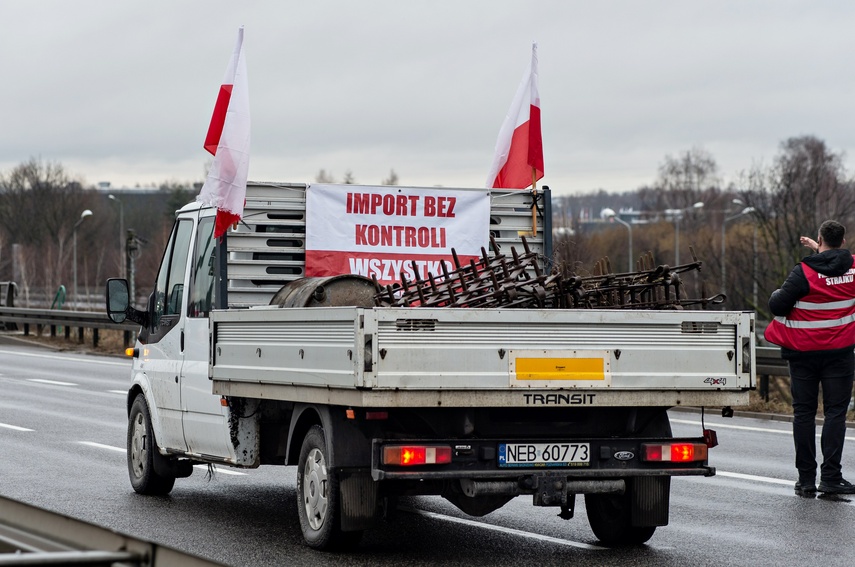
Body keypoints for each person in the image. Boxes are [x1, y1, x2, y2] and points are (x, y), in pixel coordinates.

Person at [765, 220, 855, 496]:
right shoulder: (853, 268)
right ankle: (831, 478)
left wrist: (776, 293)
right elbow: (837, 265)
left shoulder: (803, 272)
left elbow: (777, 305)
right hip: (840, 354)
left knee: (803, 413)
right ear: (842, 241)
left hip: (803, 354)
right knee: (835, 414)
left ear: (819, 238)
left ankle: (805, 481)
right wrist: (824, 251)